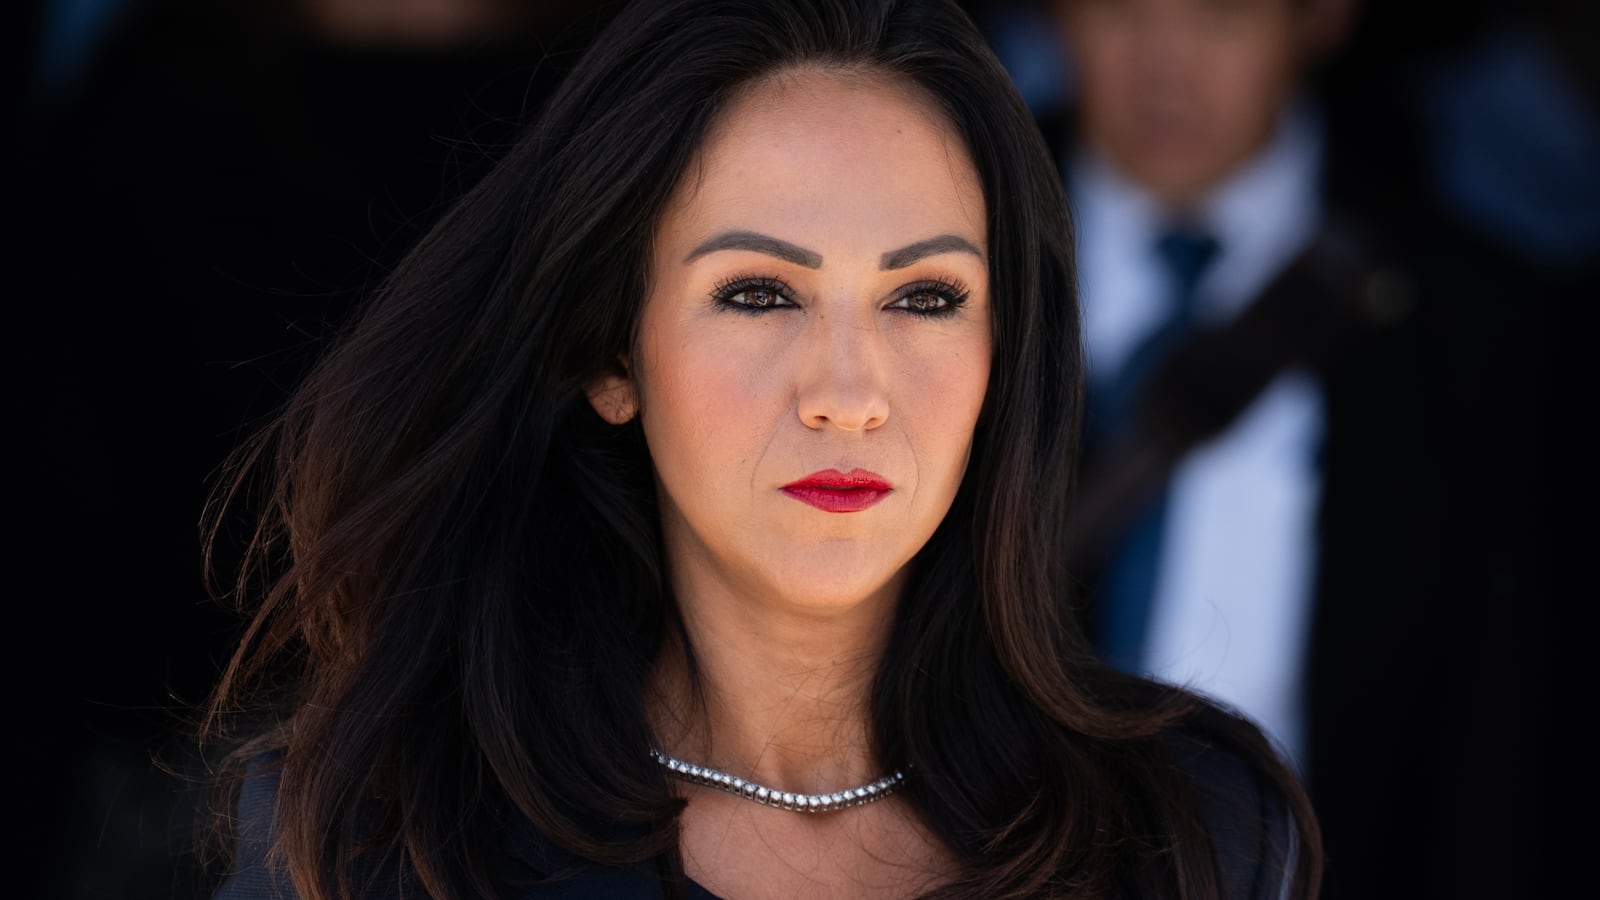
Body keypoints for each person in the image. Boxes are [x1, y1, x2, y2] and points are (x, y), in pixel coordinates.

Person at [194, 1, 1323, 898]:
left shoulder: (1193, 831)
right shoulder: (381, 838)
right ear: (611, 356)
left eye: (924, 298)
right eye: (758, 294)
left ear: (1004, 354)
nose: (848, 396)